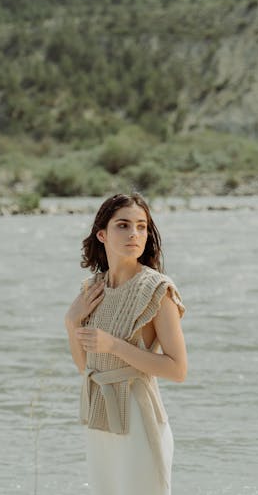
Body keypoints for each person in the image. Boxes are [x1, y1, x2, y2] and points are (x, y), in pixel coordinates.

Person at [65, 192, 187, 495]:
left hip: (139, 420)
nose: (134, 234)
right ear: (102, 234)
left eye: (142, 226)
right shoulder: (92, 289)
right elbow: (87, 367)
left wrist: (115, 346)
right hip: (100, 417)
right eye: (123, 225)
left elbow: (177, 369)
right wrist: (71, 323)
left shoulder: (158, 289)